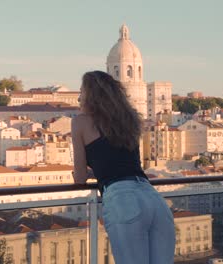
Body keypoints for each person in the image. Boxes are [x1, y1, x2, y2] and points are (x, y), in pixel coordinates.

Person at [71, 71, 176, 264]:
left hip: (122, 200)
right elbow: (124, 163)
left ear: (89, 95)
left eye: (81, 92)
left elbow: (79, 178)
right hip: (152, 198)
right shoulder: (129, 120)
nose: (79, 98)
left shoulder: (80, 122)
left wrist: (88, 173)